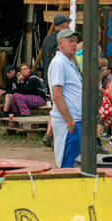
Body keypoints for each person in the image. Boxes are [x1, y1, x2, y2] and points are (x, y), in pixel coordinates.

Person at [48, 28, 82, 168]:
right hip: (68, 121)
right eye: (70, 41)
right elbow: (56, 95)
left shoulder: (69, 62)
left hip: (75, 119)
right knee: (67, 162)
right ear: (60, 44)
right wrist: (70, 121)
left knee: (75, 161)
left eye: (75, 41)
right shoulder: (59, 63)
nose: (74, 44)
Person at [38, 13, 70, 146]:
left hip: (48, 75)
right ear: (62, 25)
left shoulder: (47, 39)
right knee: (61, 105)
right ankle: (56, 138)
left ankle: (49, 134)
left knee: (56, 106)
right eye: (67, 23)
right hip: (58, 77)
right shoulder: (60, 39)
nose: (68, 25)